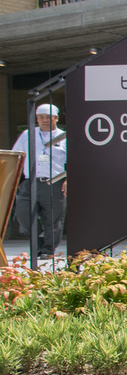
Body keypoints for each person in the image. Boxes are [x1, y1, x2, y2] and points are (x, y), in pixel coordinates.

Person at [12, 103, 67, 259]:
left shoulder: (65, 136)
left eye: (48, 117)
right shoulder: (27, 135)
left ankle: (48, 250)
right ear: (36, 119)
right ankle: (39, 242)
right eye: (41, 117)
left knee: (53, 219)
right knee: (23, 215)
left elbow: (73, 160)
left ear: (56, 118)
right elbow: (17, 156)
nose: (44, 120)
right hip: (30, 182)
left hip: (54, 182)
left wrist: (67, 179)